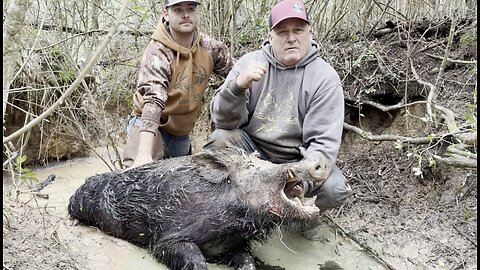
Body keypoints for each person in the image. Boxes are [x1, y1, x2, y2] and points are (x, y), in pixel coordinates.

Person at [204, 0, 352, 238]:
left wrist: (299, 185)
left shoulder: (325, 79)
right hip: (253, 154)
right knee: (222, 139)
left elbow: (322, 147)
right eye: (283, 31)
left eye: (298, 30)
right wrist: (237, 87)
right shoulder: (249, 63)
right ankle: (226, 209)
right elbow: (222, 121)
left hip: (295, 163)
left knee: (335, 188)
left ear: (309, 33)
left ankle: (299, 215)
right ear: (270, 36)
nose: (291, 38)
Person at [122, 0, 236, 168]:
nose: (185, 14)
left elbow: (237, 70)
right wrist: (144, 155)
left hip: (181, 131)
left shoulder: (208, 47)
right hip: (150, 127)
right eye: (178, 9)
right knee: (138, 180)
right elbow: (153, 99)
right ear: (166, 14)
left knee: (179, 186)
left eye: (190, 9)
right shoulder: (157, 51)